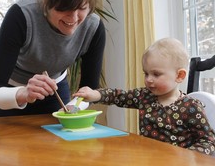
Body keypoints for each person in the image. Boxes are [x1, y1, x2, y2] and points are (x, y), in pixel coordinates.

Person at [0, 0, 106, 117]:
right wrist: (24, 93)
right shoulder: (21, 15)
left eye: (82, 8)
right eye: (65, 8)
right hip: (10, 92)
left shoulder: (93, 28)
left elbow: (89, 90)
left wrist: (71, 109)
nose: (74, 18)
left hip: (54, 91)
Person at [73, 37, 215, 156]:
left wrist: (187, 157)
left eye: (156, 74)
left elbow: (208, 141)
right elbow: (118, 96)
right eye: (146, 73)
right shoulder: (144, 96)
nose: (149, 79)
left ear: (179, 75)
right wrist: (95, 94)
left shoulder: (190, 106)